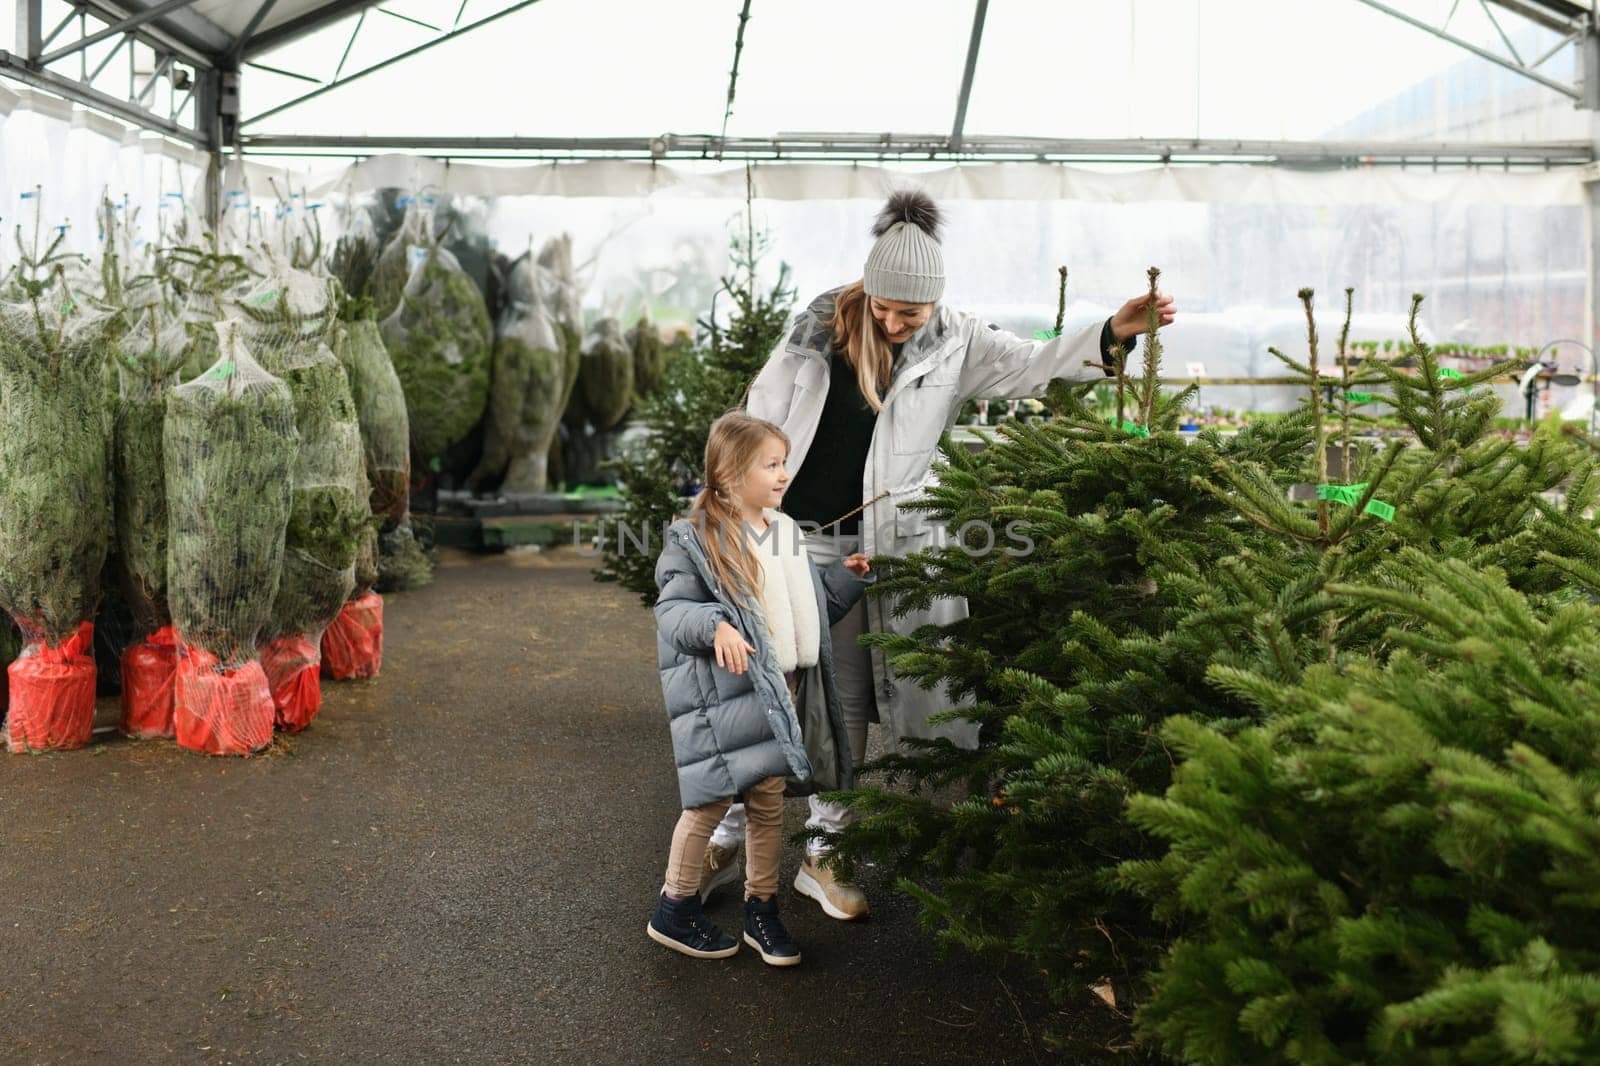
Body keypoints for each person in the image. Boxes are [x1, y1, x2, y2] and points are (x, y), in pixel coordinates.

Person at [700, 190, 1178, 920]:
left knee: (846, 698)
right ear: (866, 287)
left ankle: (825, 850)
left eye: (909, 314)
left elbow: (1032, 366)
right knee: (771, 690)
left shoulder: (957, 340)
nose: (894, 322)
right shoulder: (812, 334)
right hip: (788, 540)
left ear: (935, 303)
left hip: (877, 546)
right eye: (884, 307)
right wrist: (727, 516)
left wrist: (1112, 332)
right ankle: (728, 832)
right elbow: (750, 422)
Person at [648, 412, 872, 966]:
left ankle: (762, 911)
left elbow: (806, 607)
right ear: (728, 473)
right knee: (710, 803)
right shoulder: (697, 537)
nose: (783, 475)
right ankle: (674, 909)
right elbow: (673, 610)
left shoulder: (785, 529)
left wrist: (845, 577)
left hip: (781, 693)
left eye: (783, 463)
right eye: (770, 465)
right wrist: (714, 626)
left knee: (768, 808)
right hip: (726, 698)